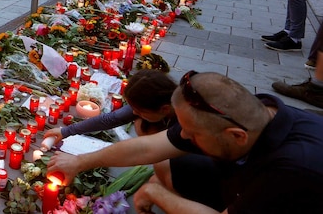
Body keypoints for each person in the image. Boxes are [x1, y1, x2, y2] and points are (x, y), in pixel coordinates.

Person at [47, 71, 323, 213]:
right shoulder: (253, 114)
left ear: (236, 136)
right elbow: (147, 147)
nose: (184, 136)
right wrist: (79, 162)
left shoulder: (292, 170)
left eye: (191, 133)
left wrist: (158, 195)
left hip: (283, 198)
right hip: (239, 176)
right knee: (170, 165)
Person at [44, 70, 177, 145]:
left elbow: (138, 151)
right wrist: (66, 131)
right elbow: (111, 119)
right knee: (140, 122)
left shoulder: (183, 128)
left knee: (142, 125)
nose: (134, 112)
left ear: (164, 109)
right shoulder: (160, 103)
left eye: (140, 111)